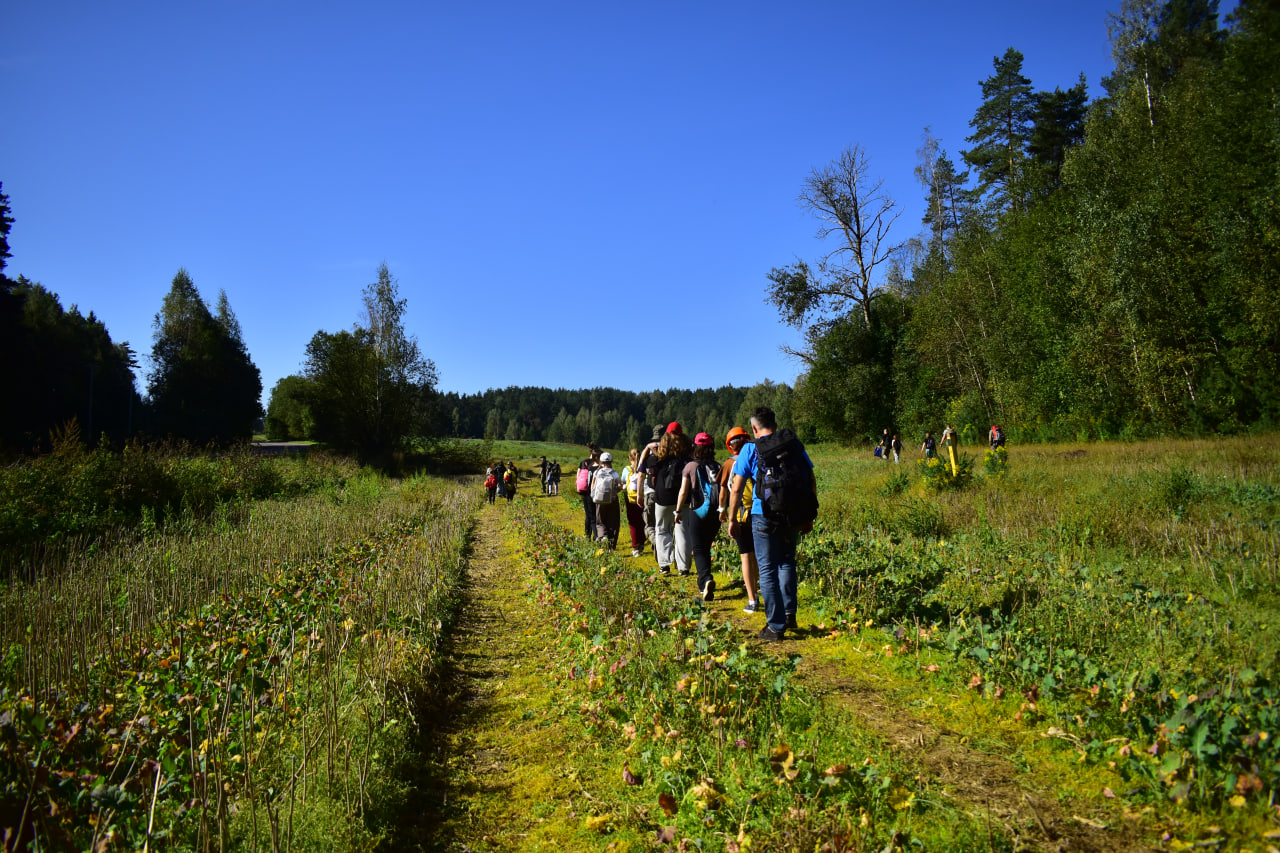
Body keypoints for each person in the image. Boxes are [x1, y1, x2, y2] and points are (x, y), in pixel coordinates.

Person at [727, 406, 816, 642]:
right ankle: (789, 615)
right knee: (786, 562)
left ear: (754, 428)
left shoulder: (749, 449)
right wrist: (808, 515)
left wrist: (731, 518)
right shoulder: (792, 444)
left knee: (766, 568)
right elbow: (810, 478)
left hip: (761, 514)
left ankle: (775, 627)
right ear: (774, 425)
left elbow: (736, 488)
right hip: (791, 513)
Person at [676, 432, 722, 601]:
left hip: (698, 511)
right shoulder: (718, 466)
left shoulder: (690, 466)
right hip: (716, 513)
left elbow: (683, 491)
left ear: (695, 447)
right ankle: (705, 578)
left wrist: (678, 511)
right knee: (706, 545)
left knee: (699, 548)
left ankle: (705, 580)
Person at [719, 427, 759, 613]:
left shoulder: (729, 464)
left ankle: (752, 600)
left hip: (741, 516)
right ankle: (762, 591)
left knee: (745, 556)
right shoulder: (757, 455)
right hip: (760, 512)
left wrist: (726, 513)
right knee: (760, 556)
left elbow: (726, 491)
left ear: (730, 445)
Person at [650, 425, 691, 576]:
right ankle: (683, 567)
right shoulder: (687, 455)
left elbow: (647, 464)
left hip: (663, 497)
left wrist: (652, 448)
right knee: (682, 530)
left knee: (662, 529)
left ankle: (665, 565)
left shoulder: (660, 456)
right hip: (684, 496)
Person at [635, 424, 665, 552]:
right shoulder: (669, 452)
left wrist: (639, 494)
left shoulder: (647, 454)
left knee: (649, 525)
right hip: (665, 493)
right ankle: (660, 554)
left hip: (650, 493)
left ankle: (657, 543)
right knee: (663, 526)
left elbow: (640, 474)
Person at [590, 452, 622, 549]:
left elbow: (592, 486)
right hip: (612, 501)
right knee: (613, 522)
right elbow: (620, 485)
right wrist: (615, 491)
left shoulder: (597, 472)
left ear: (601, 461)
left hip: (599, 501)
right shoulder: (614, 473)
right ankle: (611, 545)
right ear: (611, 461)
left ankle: (603, 536)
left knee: (600, 521)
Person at [620, 448, 647, 557]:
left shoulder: (626, 470)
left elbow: (622, 481)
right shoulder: (644, 468)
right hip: (642, 497)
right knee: (642, 520)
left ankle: (636, 547)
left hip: (630, 498)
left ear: (630, 458)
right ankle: (642, 542)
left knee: (633, 523)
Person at [576, 445, 601, 538]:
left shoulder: (583, 462)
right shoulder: (596, 464)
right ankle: (596, 536)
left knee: (588, 514)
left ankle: (587, 535)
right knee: (594, 515)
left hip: (584, 491)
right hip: (593, 492)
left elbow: (578, 476)